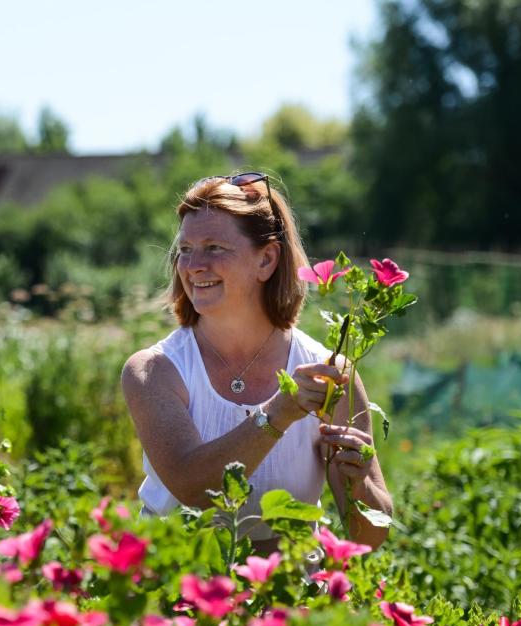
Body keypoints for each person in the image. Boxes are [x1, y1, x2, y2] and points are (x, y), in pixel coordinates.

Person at [121, 172, 392, 553]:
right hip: (178, 592)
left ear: (266, 260)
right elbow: (194, 489)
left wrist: (359, 483)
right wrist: (280, 412)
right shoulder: (155, 370)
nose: (193, 265)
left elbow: (369, 536)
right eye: (185, 249)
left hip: (289, 597)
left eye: (214, 248)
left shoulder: (329, 374)